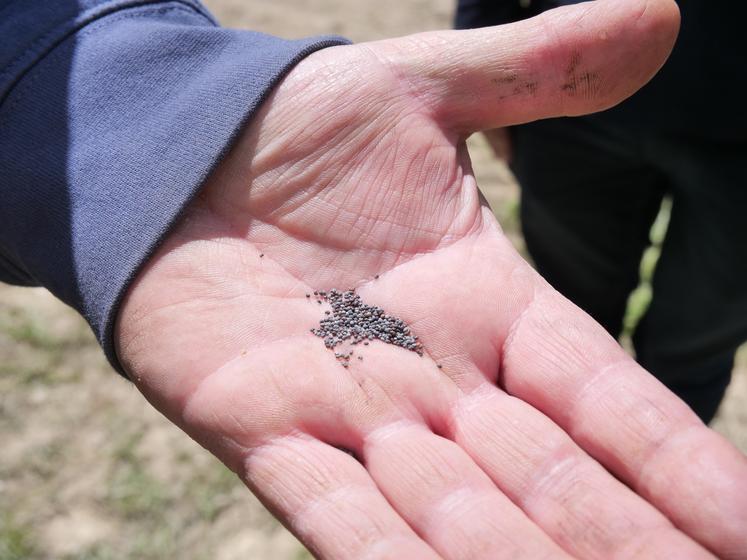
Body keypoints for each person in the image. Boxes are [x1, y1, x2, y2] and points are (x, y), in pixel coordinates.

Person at [2, 0, 746, 558]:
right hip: (579, 131)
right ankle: (574, 443)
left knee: (701, 328)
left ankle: (653, 444)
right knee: (568, 296)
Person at [456, 0, 747, 424]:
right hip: (576, 88)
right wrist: (481, 36)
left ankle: (657, 463)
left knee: (699, 342)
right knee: (569, 313)